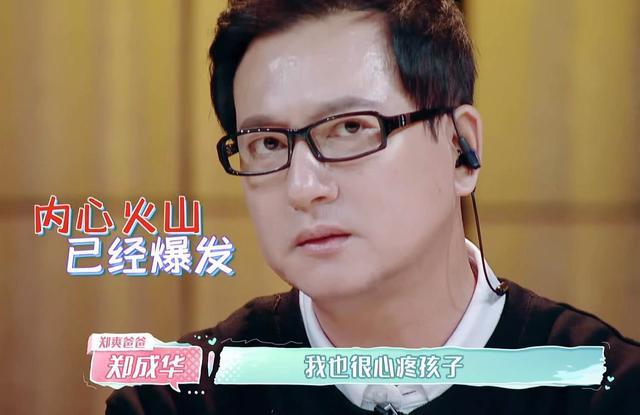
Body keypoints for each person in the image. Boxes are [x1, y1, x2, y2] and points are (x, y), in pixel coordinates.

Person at [106, 0, 640, 413]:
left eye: (351, 128)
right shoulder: (175, 401)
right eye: (266, 143)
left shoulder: (607, 391)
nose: (302, 187)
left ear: (462, 149)